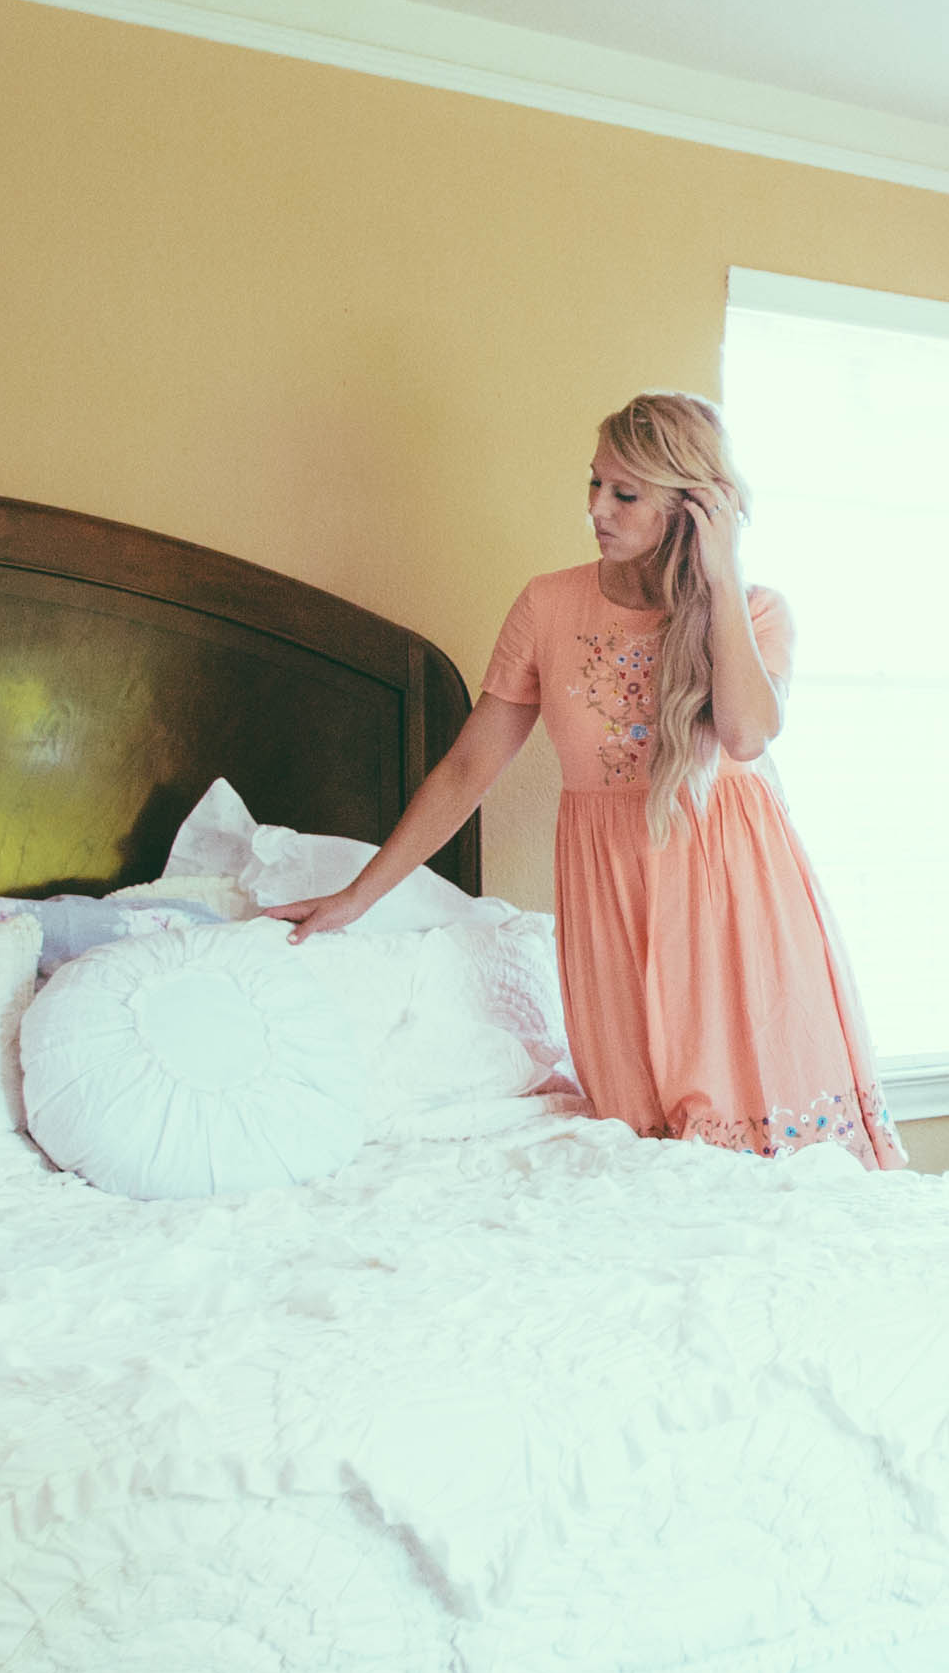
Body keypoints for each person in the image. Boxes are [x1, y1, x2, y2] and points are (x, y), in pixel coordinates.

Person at [273, 392, 899, 1168]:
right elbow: (468, 767)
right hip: (611, 899)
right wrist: (357, 897)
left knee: (781, 1165)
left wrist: (722, 574)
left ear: (689, 507)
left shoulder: (756, 612)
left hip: (735, 900)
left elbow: (743, 732)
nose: (597, 508)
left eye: (624, 493)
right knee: (647, 1157)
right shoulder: (546, 605)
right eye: (594, 485)